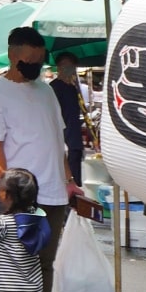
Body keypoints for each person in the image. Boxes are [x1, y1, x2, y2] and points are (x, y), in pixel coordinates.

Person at [0, 28, 90, 292]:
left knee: (45, 262)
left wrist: (69, 180)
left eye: (41, 60)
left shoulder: (47, 91)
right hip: (22, 194)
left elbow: (58, 139)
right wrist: (9, 193)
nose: (37, 65)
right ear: (14, 55)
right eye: (31, 60)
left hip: (55, 189)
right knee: (19, 264)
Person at [51, 54, 87, 206]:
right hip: (63, 141)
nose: (69, 69)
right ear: (58, 67)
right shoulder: (53, 88)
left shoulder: (73, 88)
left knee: (76, 178)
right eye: (66, 66)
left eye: (72, 66)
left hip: (75, 141)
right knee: (65, 178)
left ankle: (75, 210)